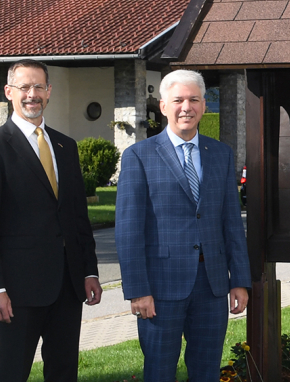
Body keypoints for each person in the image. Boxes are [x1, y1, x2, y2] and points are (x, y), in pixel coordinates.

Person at [0, 59, 103, 382]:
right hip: (18, 292)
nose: (32, 94)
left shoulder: (65, 147)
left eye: (39, 87)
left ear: (49, 91)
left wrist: (88, 270)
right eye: (24, 87)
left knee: (64, 372)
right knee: (13, 374)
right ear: (9, 92)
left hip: (68, 289)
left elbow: (77, 218)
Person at [116, 69, 251, 382]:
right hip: (160, 288)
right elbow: (128, 230)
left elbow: (231, 222)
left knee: (206, 372)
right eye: (178, 100)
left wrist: (239, 280)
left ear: (204, 105)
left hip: (212, 286)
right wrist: (138, 290)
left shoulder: (221, 154)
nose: (186, 107)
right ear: (163, 106)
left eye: (193, 99)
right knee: (160, 372)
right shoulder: (139, 156)